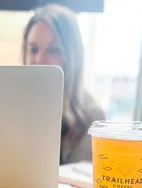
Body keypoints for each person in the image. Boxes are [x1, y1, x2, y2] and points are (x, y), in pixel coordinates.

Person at [22, 4, 105, 165]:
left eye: (53, 50)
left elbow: (79, 182)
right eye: (33, 49)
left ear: (72, 56)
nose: (39, 59)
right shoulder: (13, 107)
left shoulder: (92, 117)